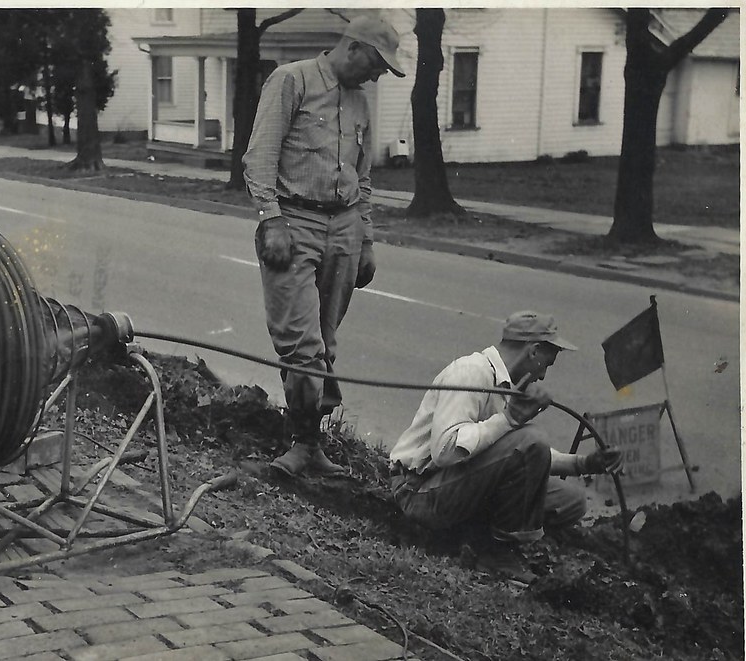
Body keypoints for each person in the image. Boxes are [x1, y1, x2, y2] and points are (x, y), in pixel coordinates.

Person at [243, 15, 406, 478]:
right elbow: (259, 157)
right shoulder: (290, 80)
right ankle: (302, 443)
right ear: (353, 48)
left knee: (325, 343)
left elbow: (365, 177)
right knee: (302, 343)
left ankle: (312, 449)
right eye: (376, 64)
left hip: (345, 228)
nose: (377, 76)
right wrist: (270, 219)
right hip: (294, 222)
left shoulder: (359, 101)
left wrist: (367, 240)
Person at [388, 311, 624, 582]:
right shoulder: (471, 372)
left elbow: (511, 452)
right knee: (531, 438)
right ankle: (497, 555)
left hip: (450, 487)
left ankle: (475, 535)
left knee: (570, 500)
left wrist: (583, 464)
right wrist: (509, 419)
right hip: (418, 491)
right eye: (547, 363)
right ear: (533, 351)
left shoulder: (507, 384)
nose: (544, 376)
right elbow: (446, 451)